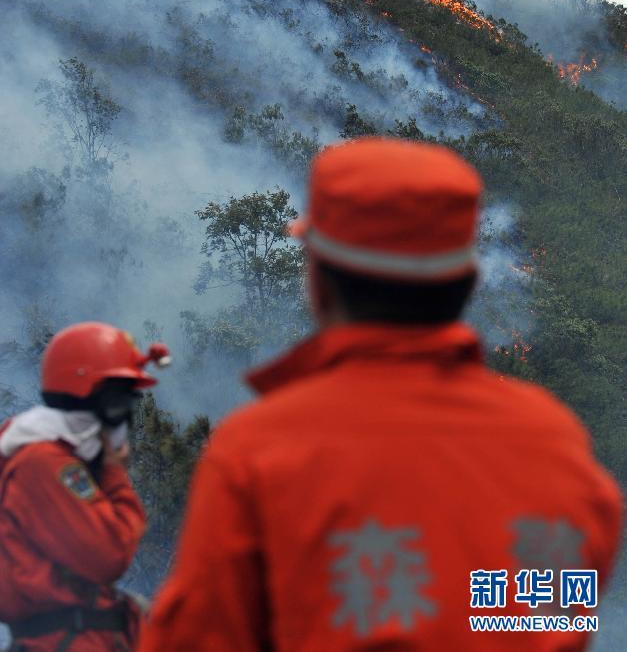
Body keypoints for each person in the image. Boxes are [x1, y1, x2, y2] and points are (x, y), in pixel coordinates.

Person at [140, 138, 623, 651]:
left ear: (319, 284)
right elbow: (551, 622)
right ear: (464, 284)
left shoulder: (261, 450)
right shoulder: (553, 442)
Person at [0, 322, 170, 651]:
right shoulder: (45, 463)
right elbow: (110, 554)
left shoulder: (44, 453)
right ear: (94, 400)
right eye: (118, 404)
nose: (123, 419)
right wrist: (112, 471)